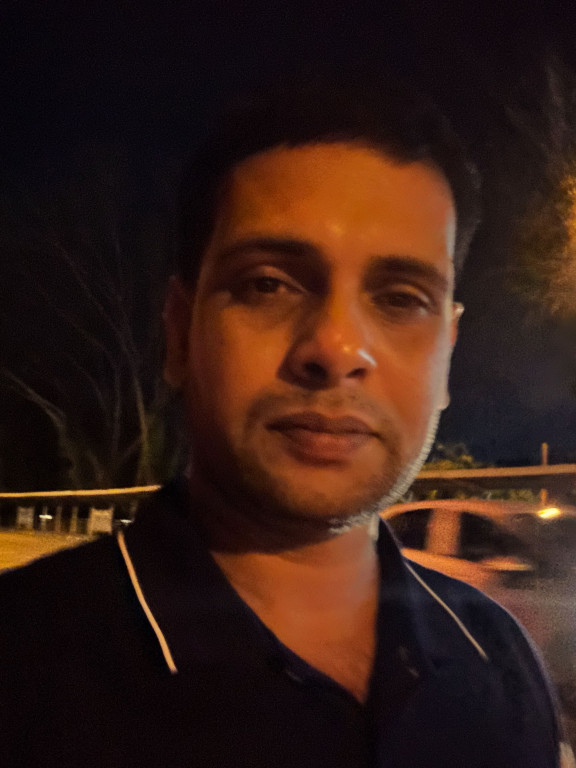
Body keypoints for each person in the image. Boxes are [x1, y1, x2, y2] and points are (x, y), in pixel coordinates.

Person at [0, 75, 567, 768]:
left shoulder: (500, 660)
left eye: (400, 298)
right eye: (267, 284)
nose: (336, 348)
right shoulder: (24, 667)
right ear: (179, 335)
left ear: (446, 353)